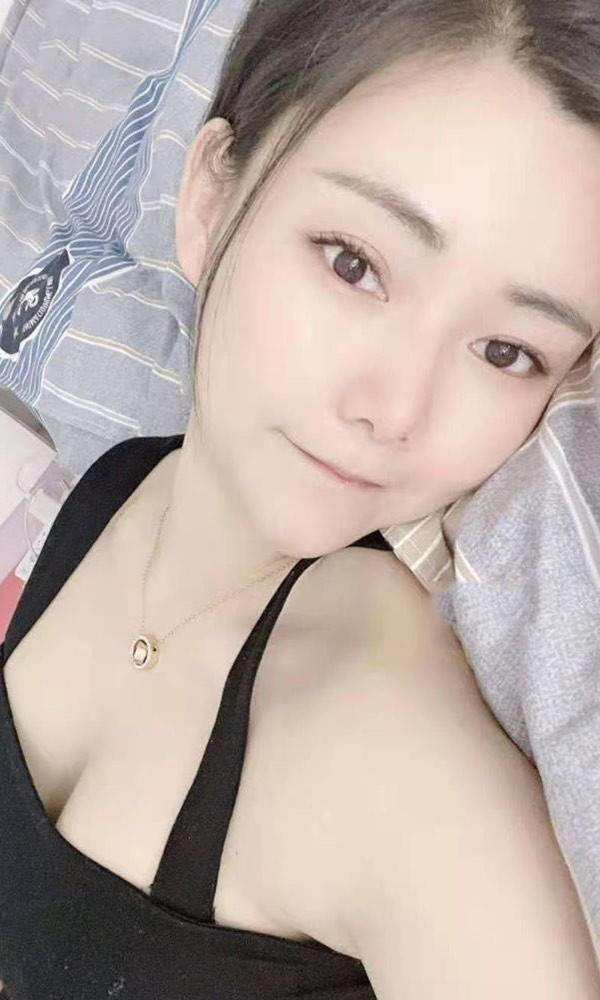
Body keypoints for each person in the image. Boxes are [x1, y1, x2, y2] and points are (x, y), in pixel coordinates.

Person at [0, 0, 599, 996]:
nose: (394, 409)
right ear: (209, 195)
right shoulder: (111, 492)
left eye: (507, 351)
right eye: (354, 264)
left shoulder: (404, 772)